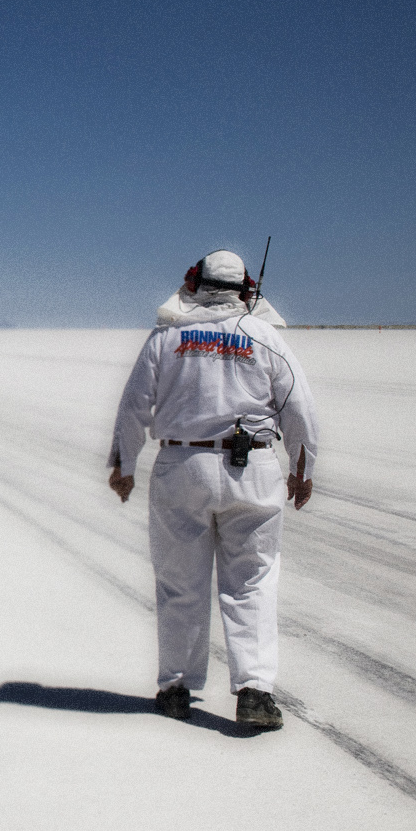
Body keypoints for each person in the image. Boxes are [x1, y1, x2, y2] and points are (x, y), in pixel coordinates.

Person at [106, 249, 318, 730]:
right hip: (254, 469)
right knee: (253, 582)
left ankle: (176, 688)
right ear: (245, 288)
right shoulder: (265, 338)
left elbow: (136, 404)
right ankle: (255, 692)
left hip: (182, 465)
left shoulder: (168, 337)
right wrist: (301, 469)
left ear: (196, 284)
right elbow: (298, 408)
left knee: (180, 582)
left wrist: (124, 463)